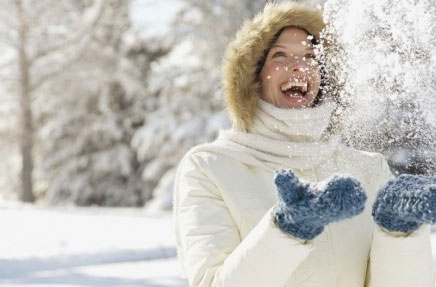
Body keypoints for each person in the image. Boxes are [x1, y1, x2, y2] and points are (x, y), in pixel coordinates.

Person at [173, 2, 435, 287]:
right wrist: (287, 229)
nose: (299, 65)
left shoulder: (367, 168)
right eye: (280, 55)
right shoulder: (210, 168)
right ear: (252, 77)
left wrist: (399, 234)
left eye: (311, 55)